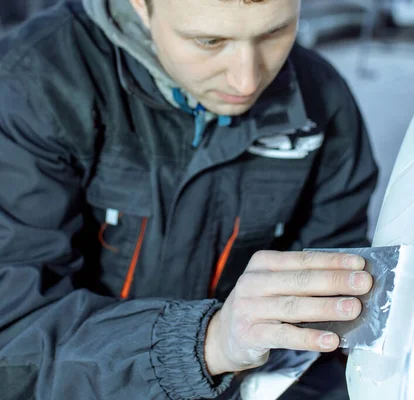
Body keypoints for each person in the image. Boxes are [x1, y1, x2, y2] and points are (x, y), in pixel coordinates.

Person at [0, 0, 378, 398]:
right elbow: (14, 339)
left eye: (273, 33)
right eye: (210, 41)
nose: (246, 80)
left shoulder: (321, 102)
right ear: (140, 7)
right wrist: (206, 344)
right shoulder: (31, 87)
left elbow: (323, 338)